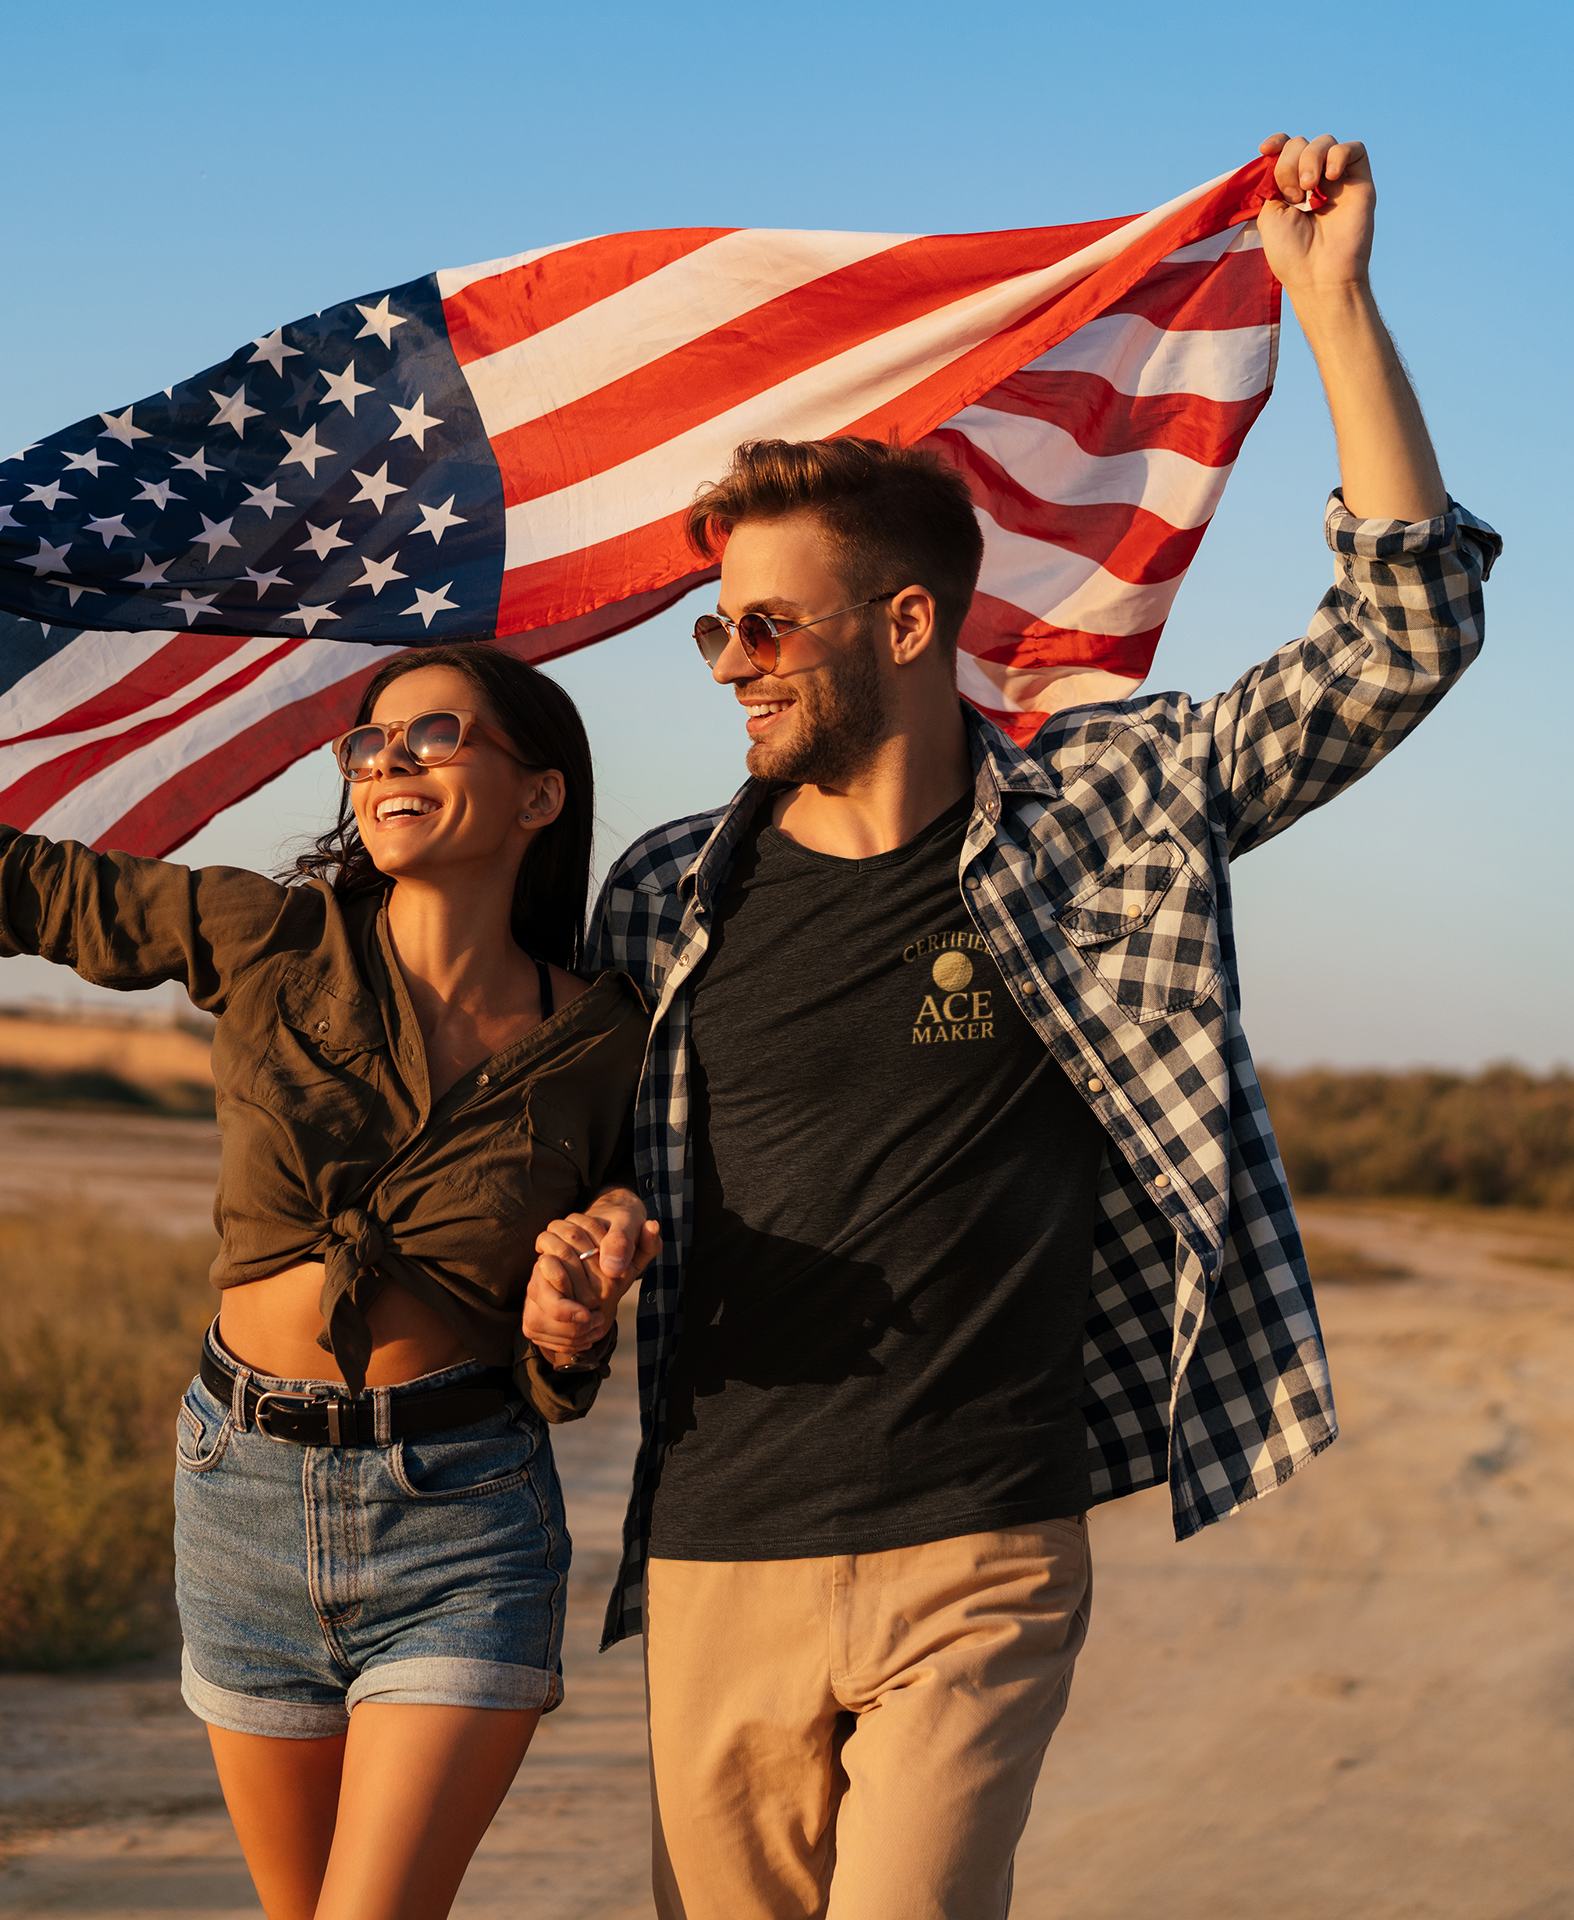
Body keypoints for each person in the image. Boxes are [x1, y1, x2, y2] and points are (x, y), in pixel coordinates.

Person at [534, 131, 1502, 1917]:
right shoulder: (664, 897)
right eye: (714, 633)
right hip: (718, 1549)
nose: (730, 660)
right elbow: (583, 1213)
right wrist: (571, 1283)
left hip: (977, 1545)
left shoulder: (1099, 816)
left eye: (765, 626)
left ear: (908, 622)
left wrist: (1335, 308)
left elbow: (1401, 633)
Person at [0, 524, 656, 1920]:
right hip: (242, 1494)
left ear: (538, 796)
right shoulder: (265, 935)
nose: (387, 761)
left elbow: (567, 1338)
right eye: (370, 743)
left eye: (435, 734)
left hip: (461, 1513)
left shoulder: (604, 1044)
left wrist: (574, 1315)